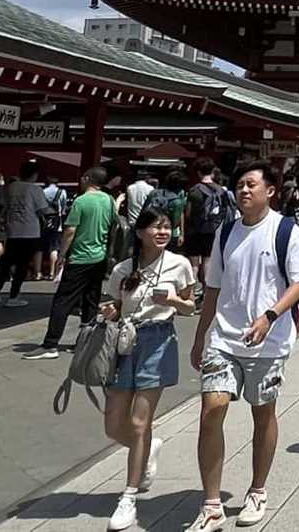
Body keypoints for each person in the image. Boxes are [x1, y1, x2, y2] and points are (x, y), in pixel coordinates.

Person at [185, 162, 299, 531]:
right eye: (239, 184)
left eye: (251, 184)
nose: (243, 190)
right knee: (212, 409)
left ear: (270, 191)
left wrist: (269, 316)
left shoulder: (287, 231)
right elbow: (212, 288)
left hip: (268, 341)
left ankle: (257, 490)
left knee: (263, 414)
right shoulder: (225, 233)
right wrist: (200, 336)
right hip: (224, 338)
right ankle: (211, 505)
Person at [99, 207, 196, 531]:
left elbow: (190, 306)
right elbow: (113, 303)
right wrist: (110, 309)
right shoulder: (123, 268)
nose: (163, 232)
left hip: (158, 340)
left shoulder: (179, 265)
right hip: (125, 342)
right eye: (156, 227)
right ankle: (148, 449)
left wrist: (173, 302)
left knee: (140, 422)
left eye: (167, 227)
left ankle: (128, 496)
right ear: (139, 232)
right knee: (113, 425)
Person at [25, 167, 115, 359]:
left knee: (62, 301)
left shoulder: (81, 201)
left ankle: (50, 344)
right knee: (91, 300)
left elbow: (70, 230)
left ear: (87, 179)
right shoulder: (109, 200)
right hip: (99, 256)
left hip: (80, 256)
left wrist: (63, 255)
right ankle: (85, 341)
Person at [0, 160, 49, 307]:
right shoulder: (35, 189)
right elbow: (42, 210)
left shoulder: (11, 187)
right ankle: (13, 297)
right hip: (29, 231)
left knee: (5, 262)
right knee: (22, 265)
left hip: (12, 230)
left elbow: (4, 205)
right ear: (35, 174)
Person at [185, 158, 233, 302]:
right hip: (213, 229)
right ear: (212, 171)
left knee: (194, 264)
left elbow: (188, 213)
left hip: (194, 230)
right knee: (208, 262)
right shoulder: (221, 191)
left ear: (198, 172)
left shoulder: (194, 190)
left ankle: (191, 295)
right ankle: (207, 295)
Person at [143, 171, 188, 253]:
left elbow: (144, 211)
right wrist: (181, 234)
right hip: (169, 234)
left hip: (151, 230)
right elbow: (175, 222)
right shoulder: (177, 202)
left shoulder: (153, 193)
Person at [40, 177, 68, 281]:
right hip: (57, 224)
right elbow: (64, 208)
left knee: (41, 247)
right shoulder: (62, 192)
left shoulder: (43, 192)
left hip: (44, 223)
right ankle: (52, 272)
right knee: (54, 248)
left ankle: (39, 271)